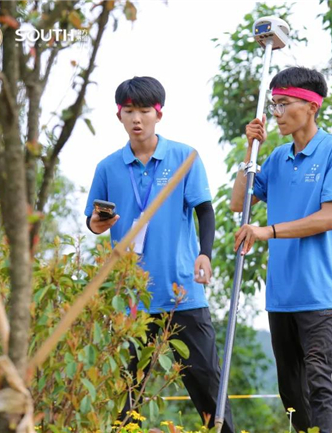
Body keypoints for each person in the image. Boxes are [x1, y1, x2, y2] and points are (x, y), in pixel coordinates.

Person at [84, 76, 233, 432]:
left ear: (159, 114)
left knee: (209, 388)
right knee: (125, 394)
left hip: (181, 292)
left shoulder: (184, 157)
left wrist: (205, 253)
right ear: (119, 115)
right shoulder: (107, 167)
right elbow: (93, 222)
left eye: (144, 111)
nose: (137, 119)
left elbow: (205, 211)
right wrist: (97, 224)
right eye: (129, 111)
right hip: (130, 299)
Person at [230, 67, 332, 432]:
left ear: (312, 106)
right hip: (281, 295)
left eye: (284, 104)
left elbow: (329, 218)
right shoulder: (276, 158)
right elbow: (239, 202)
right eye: (274, 105)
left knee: (320, 385)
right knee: (291, 393)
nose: (277, 113)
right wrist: (250, 149)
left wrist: (268, 231)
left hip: (320, 294)